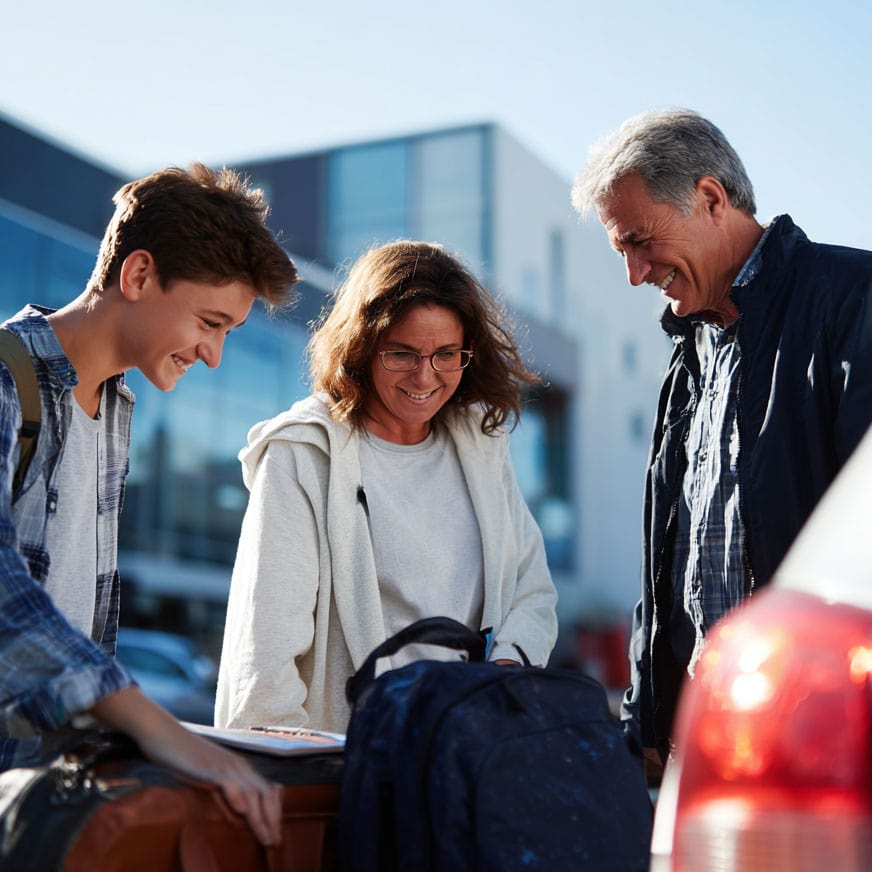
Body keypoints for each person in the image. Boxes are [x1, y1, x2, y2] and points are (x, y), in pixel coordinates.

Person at [0, 163, 299, 845]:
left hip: (46, 806)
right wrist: (156, 727)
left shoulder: (112, 411)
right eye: (209, 321)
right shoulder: (2, 379)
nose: (215, 355)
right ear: (137, 276)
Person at [571, 108, 872, 770]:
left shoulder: (855, 301)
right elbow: (668, 565)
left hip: (821, 746)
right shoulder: (687, 359)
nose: (634, 273)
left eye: (641, 241)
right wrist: (647, 719)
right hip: (708, 743)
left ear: (711, 198)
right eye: (621, 251)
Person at [215, 240, 559, 734]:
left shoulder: (479, 444)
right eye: (403, 354)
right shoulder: (303, 451)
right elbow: (266, 642)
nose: (425, 376)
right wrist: (287, 772)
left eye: (446, 355)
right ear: (362, 346)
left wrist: (504, 676)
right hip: (348, 763)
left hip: (466, 756)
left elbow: (532, 588)